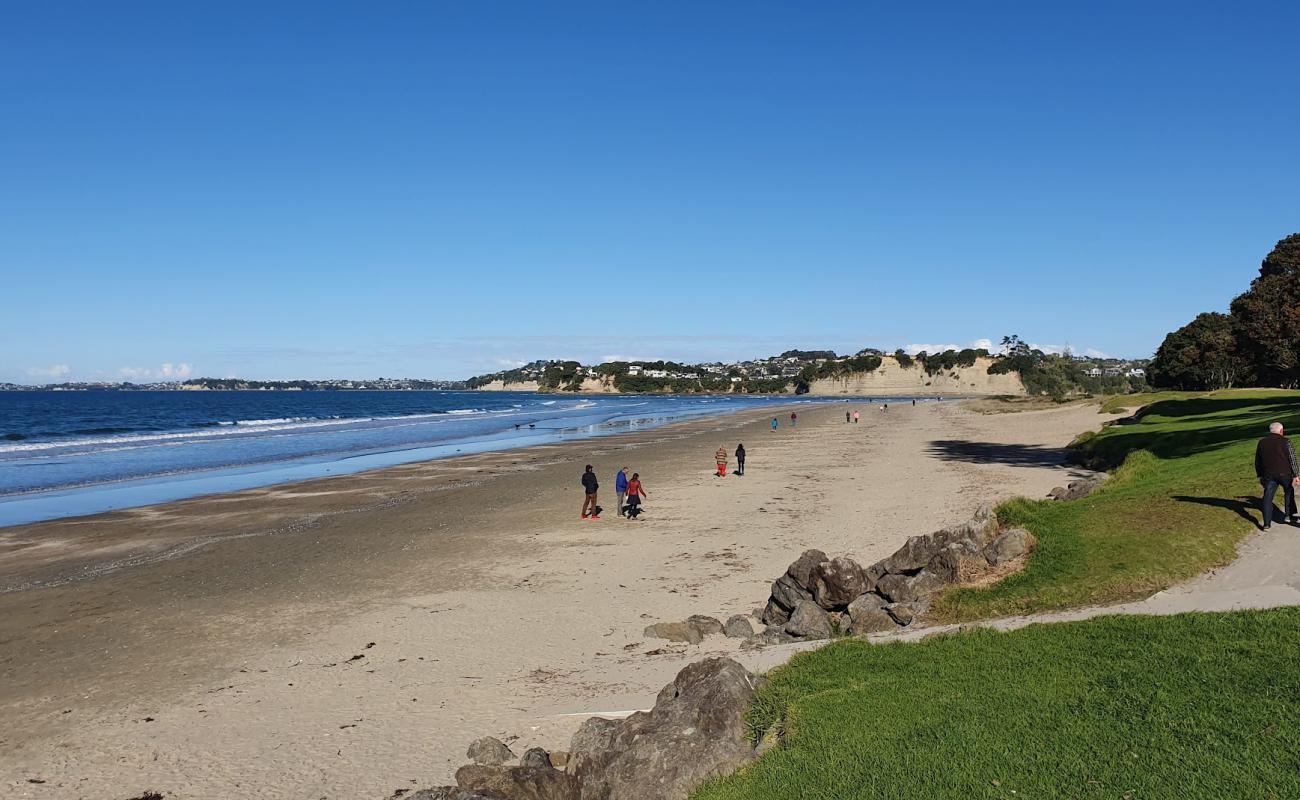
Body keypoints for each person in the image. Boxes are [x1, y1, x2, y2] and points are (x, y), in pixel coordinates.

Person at [1255, 421, 1299, 530]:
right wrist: (1296, 475)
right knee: (1288, 492)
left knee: (1267, 497)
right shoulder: (1286, 441)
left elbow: (1258, 461)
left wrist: (1260, 475)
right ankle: (1289, 515)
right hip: (1285, 473)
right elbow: (1292, 459)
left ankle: (1266, 524)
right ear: (1281, 430)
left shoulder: (1262, 442)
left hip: (1269, 475)